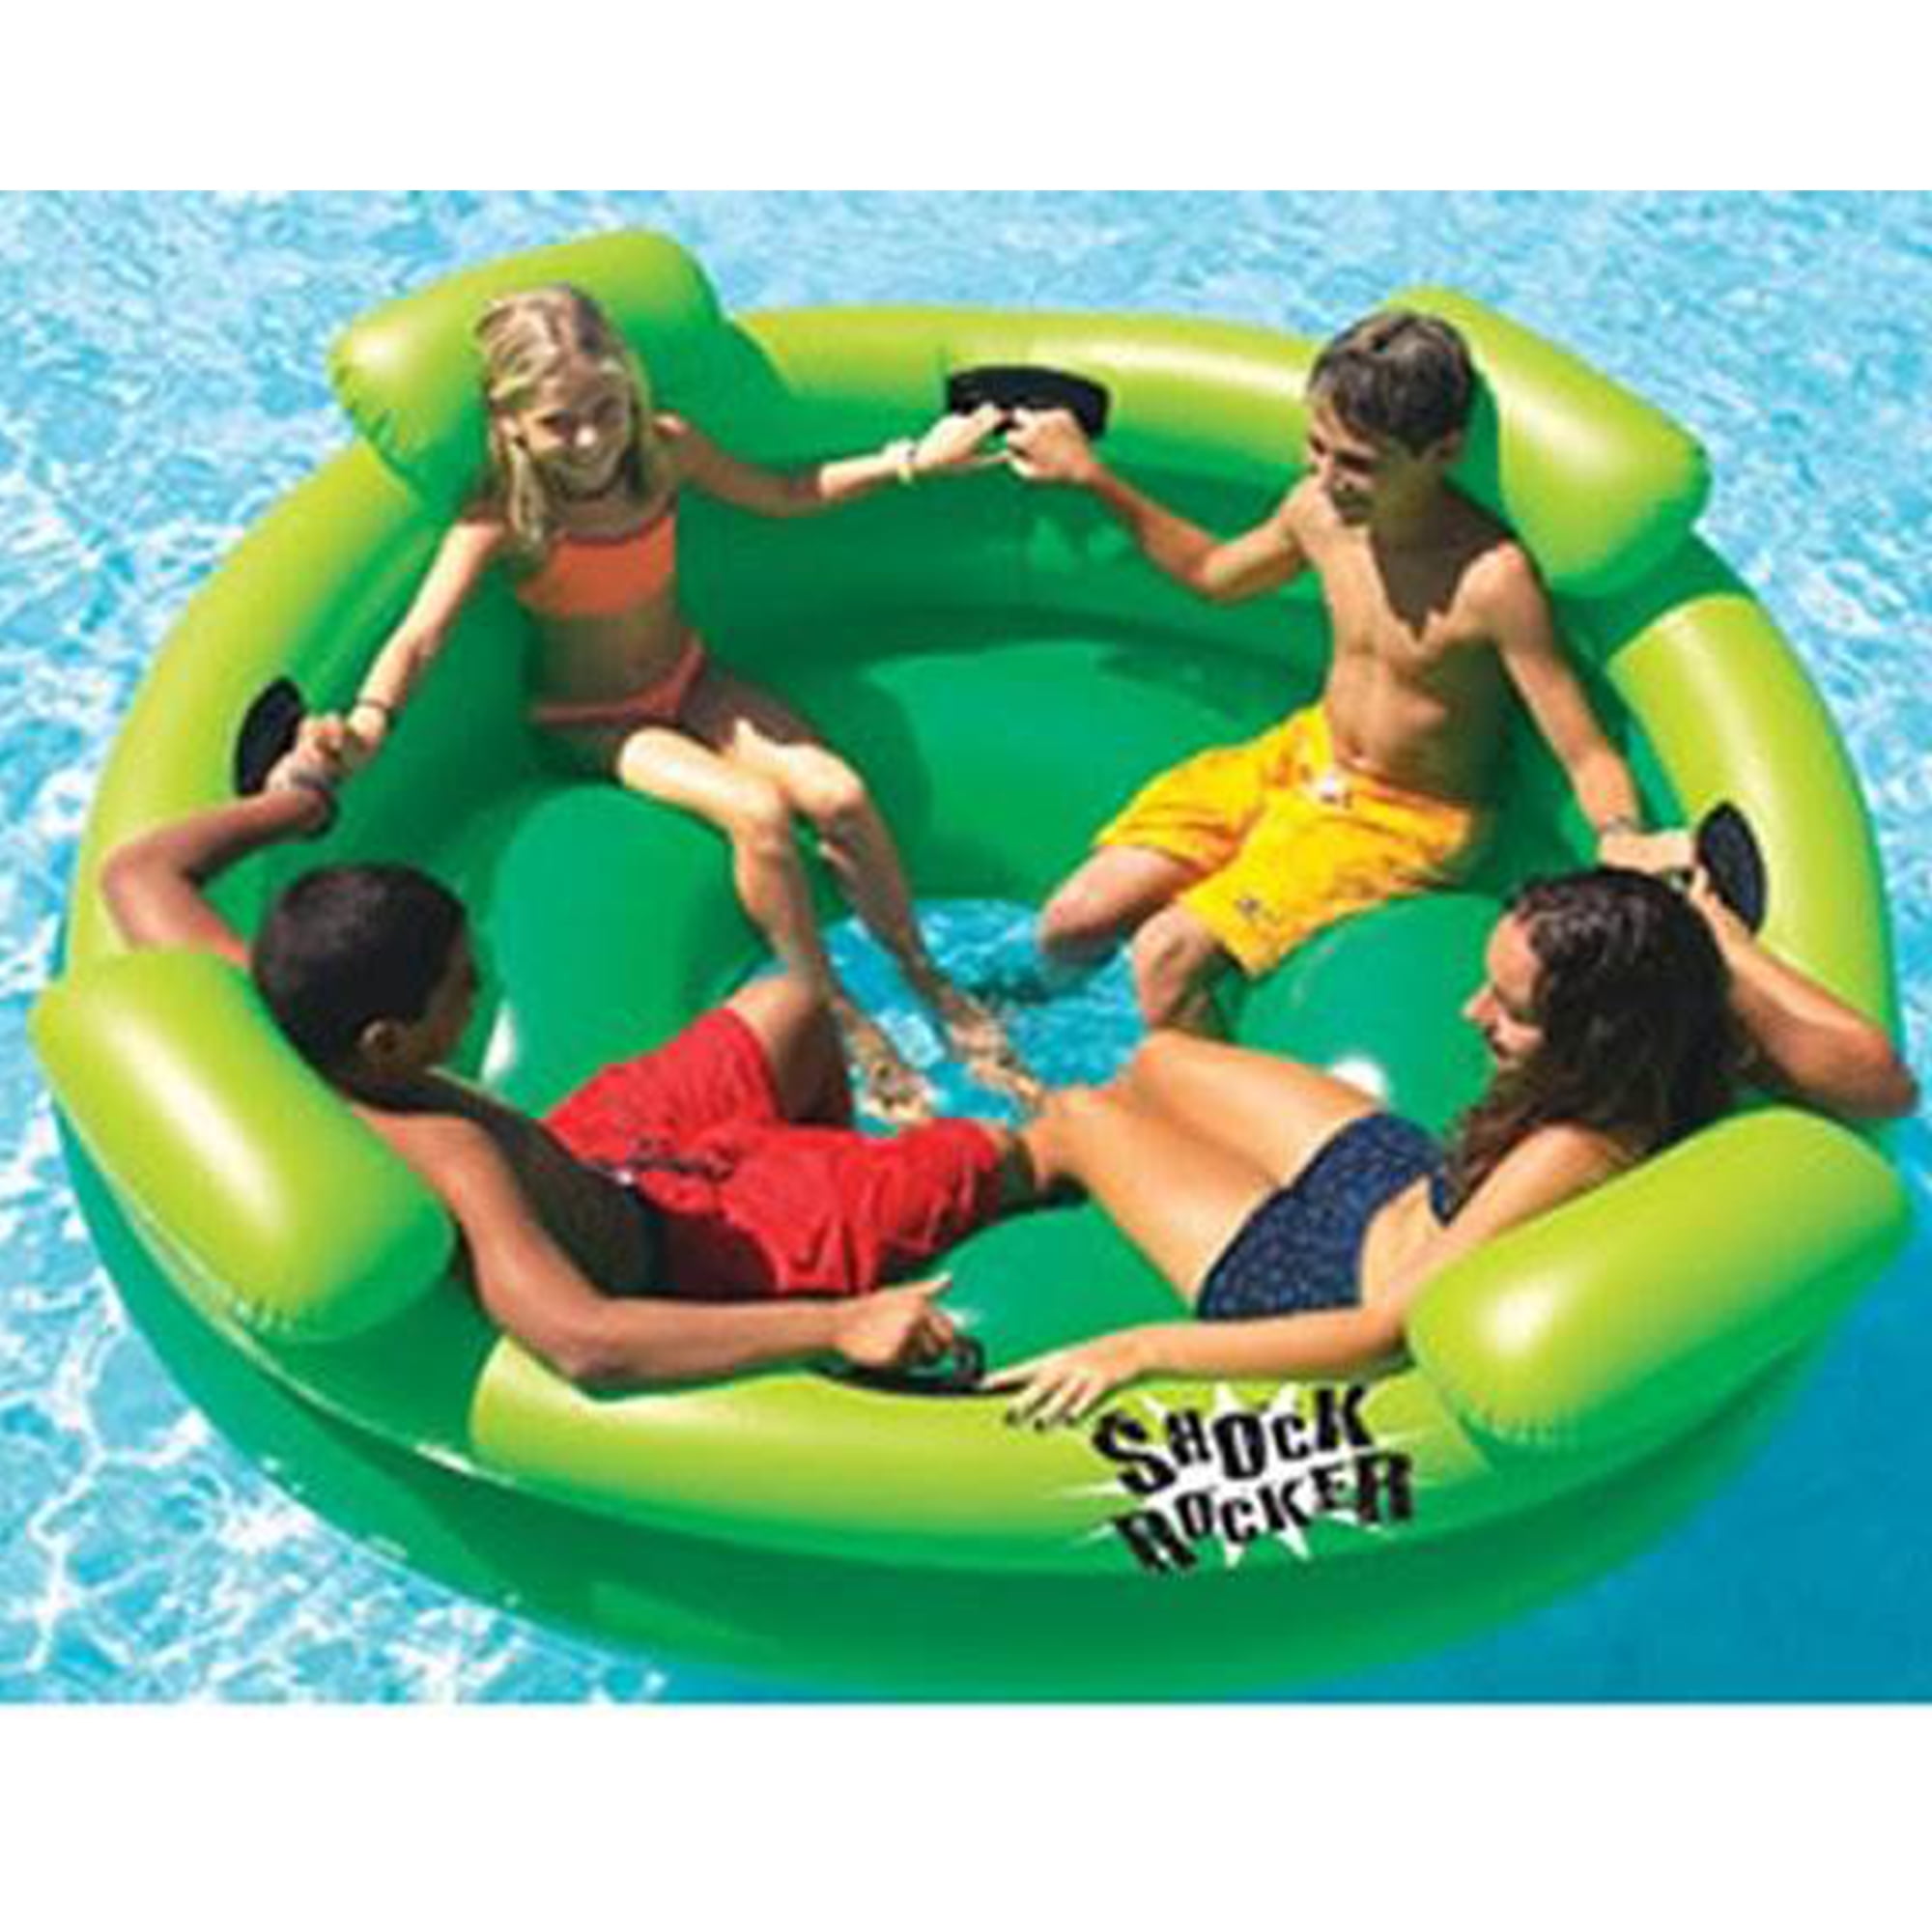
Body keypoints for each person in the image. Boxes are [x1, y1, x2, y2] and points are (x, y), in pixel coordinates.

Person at [99, 725, 1054, 1395]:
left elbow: (136, 873)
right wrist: (837, 1324)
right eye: (461, 983)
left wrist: (299, 805)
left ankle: (829, 1168)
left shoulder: (277, 1009)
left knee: (795, 1006)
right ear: (386, 1041)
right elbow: (585, 1343)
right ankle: (831, 1261)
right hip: (684, 1253)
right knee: (1018, 1149)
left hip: (604, 1152)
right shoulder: (449, 1152)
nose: (483, 986)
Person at [337, 283, 1032, 1124]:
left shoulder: (663, 451)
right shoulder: (504, 515)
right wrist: (371, 719)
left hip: (691, 677)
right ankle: (833, 1012)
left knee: (839, 794)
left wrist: (910, 461)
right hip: (595, 722)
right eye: (559, 422)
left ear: (629, 388)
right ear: (510, 421)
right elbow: (420, 636)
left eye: (606, 407)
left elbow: (784, 492)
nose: (590, 439)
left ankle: (927, 977)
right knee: (758, 815)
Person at [987, 863, 1918, 1426]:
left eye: (1512, 1012)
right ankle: (1124, 1153)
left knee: (1078, 1114)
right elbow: (1884, 1079)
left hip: (1313, 1279)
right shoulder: (1673, 1034)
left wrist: (1142, 1351)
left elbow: (1381, 1334)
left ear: (1597, 1033)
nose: (1473, 1014)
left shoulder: (1572, 1148)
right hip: (1392, 1180)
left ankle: (1000, 1160)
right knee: (1159, 1060)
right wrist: (1710, 934)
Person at [1007, 308, 1687, 1031]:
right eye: (1316, 447)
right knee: (1072, 921)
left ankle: (1186, 1096)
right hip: (1303, 758)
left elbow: (1584, 749)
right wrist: (1091, 476)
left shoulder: (1490, 581)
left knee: (1164, 956)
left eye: (1358, 463)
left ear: (1444, 452)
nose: (1328, 478)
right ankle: (1026, 1033)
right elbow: (1214, 574)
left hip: (1406, 818)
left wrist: (1620, 833)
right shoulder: (1319, 513)